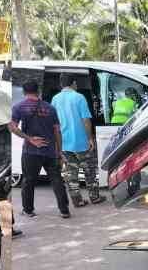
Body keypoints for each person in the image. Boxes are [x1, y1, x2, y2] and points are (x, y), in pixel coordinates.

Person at [8, 80, 71, 219]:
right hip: (50, 151)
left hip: (30, 151)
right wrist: (59, 151)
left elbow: (12, 127)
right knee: (56, 180)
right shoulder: (50, 108)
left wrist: (29, 138)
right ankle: (64, 210)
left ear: (24, 92)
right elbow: (57, 131)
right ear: (38, 91)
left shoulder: (19, 107)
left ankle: (28, 210)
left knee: (28, 181)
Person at [51, 73, 105, 207]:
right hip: (81, 142)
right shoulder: (79, 97)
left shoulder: (55, 99)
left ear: (61, 84)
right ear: (74, 83)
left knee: (71, 174)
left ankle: (77, 200)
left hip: (64, 143)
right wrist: (90, 138)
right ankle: (94, 197)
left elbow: (53, 123)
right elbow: (86, 120)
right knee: (90, 171)